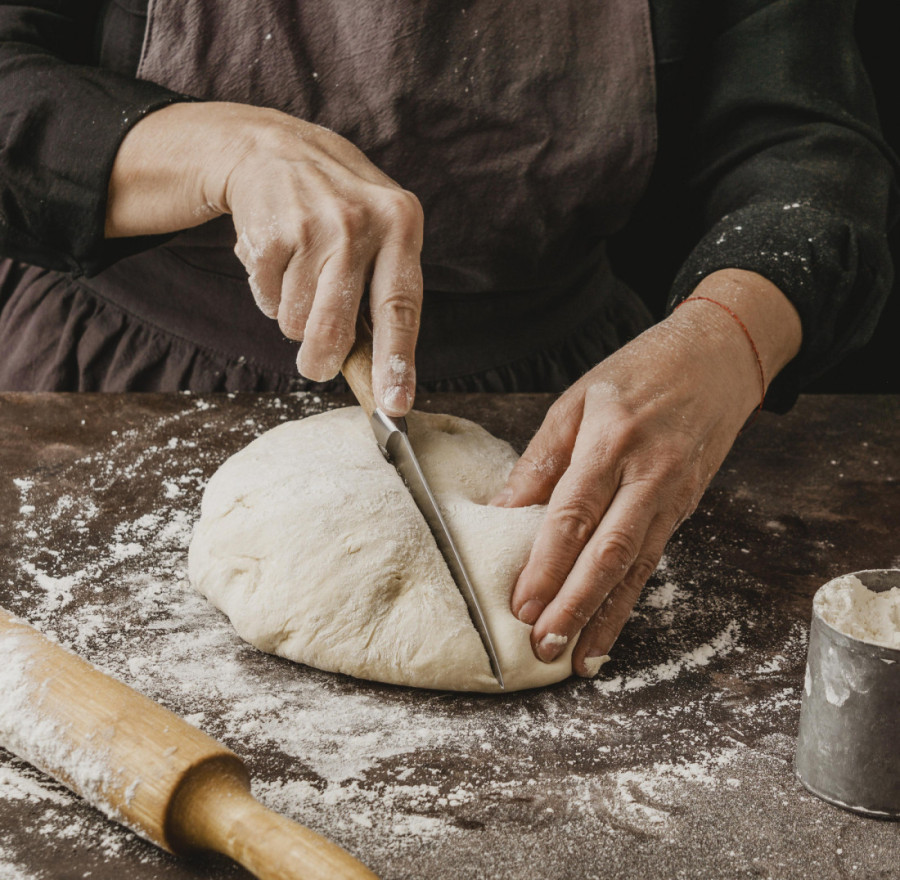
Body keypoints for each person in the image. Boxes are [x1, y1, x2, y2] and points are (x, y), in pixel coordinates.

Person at [0, 0, 895, 677]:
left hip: (570, 410)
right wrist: (221, 147)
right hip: (115, 366)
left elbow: (807, 143)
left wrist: (730, 334)